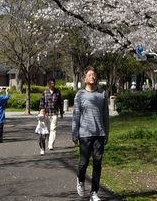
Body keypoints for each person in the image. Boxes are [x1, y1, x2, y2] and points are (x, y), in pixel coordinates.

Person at [72, 66, 108, 201]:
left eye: (94, 75)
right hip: (85, 134)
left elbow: (105, 116)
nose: (92, 77)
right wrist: (74, 134)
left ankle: (94, 192)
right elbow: (76, 115)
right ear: (84, 78)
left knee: (97, 163)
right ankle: (80, 179)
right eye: (90, 75)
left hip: (99, 134)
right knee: (83, 162)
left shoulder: (102, 94)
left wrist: (106, 133)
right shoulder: (80, 95)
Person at [38, 79, 65, 150]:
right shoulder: (45, 92)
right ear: (48, 84)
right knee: (47, 130)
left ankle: (50, 145)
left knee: (53, 129)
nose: (52, 85)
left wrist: (61, 112)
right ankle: (47, 141)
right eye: (50, 83)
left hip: (54, 113)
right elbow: (41, 103)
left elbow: (60, 103)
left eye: (53, 83)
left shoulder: (57, 92)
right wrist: (41, 111)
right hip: (46, 114)